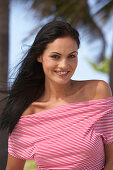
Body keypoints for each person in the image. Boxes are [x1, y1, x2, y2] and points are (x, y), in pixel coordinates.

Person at [0, 20, 113, 170]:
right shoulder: (27, 115)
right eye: (55, 56)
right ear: (39, 56)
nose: (64, 65)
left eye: (72, 56)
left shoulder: (98, 92)